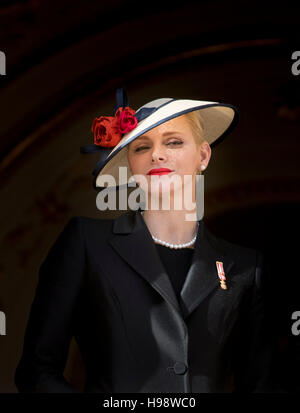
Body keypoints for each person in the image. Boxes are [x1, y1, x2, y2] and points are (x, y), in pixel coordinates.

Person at [14, 87, 277, 393]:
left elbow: (262, 386)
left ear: (203, 155)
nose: (157, 154)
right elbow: (36, 371)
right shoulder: (87, 243)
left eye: (174, 142)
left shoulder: (244, 268)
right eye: (141, 147)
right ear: (131, 163)